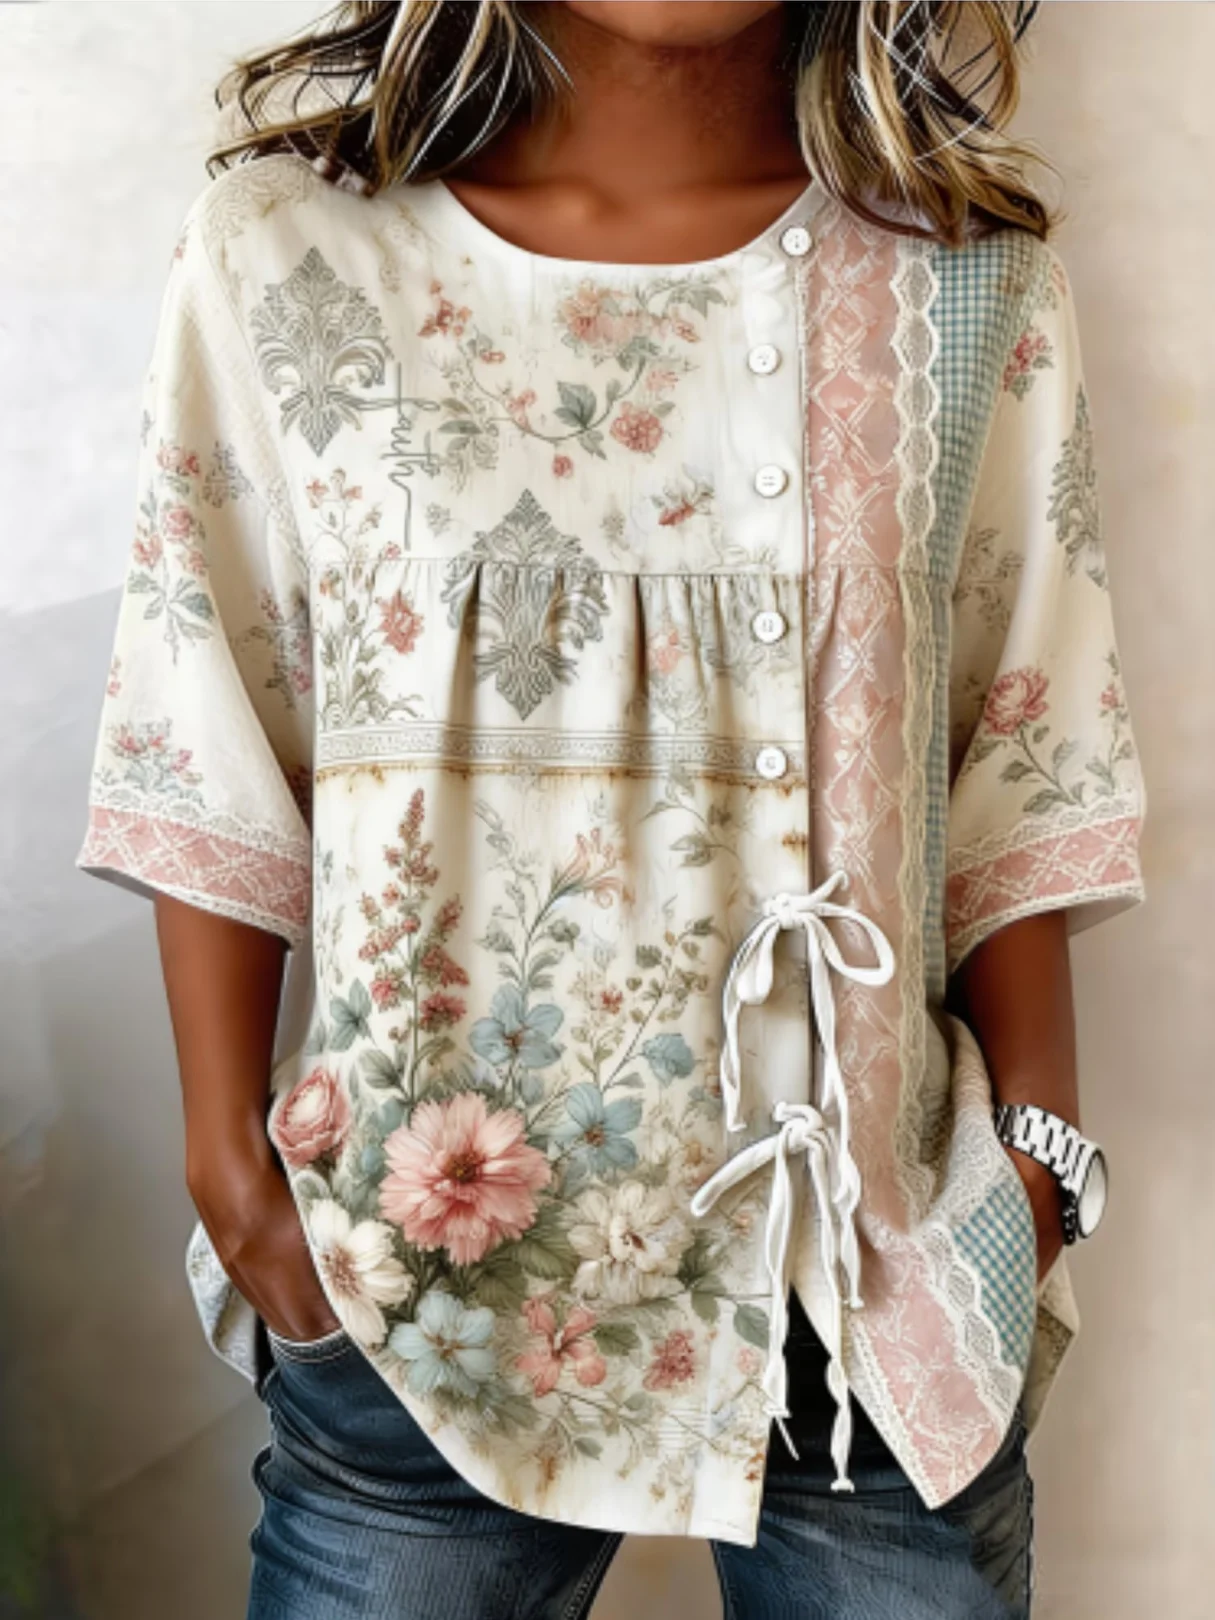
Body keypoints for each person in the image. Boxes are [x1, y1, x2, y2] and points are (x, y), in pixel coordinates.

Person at [76, 3, 1147, 1615]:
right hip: (414, 1305)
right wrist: (238, 1190)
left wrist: (1037, 1172)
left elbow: (1021, 739)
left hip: (878, 1294)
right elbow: (205, 720)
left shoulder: (966, 281)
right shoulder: (285, 255)